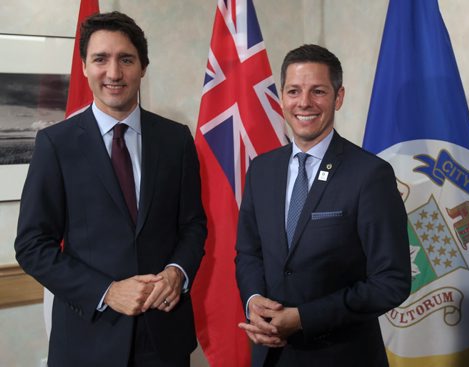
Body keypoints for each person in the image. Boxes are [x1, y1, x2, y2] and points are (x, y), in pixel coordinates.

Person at [15, 11, 206, 367]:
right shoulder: (55, 144)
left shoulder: (175, 139)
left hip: (164, 338)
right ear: (85, 66)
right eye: (101, 59)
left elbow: (193, 225)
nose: (114, 73)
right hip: (88, 340)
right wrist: (107, 292)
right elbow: (31, 245)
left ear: (143, 67)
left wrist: (177, 271)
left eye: (126, 59)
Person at [235, 44, 411, 367]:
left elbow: (392, 282)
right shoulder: (261, 170)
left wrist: (303, 317)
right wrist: (253, 300)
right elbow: (249, 252)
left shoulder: (370, 175)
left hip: (342, 356)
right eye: (294, 91)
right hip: (270, 356)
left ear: (338, 97)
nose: (304, 103)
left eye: (318, 91)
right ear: (282, 98)